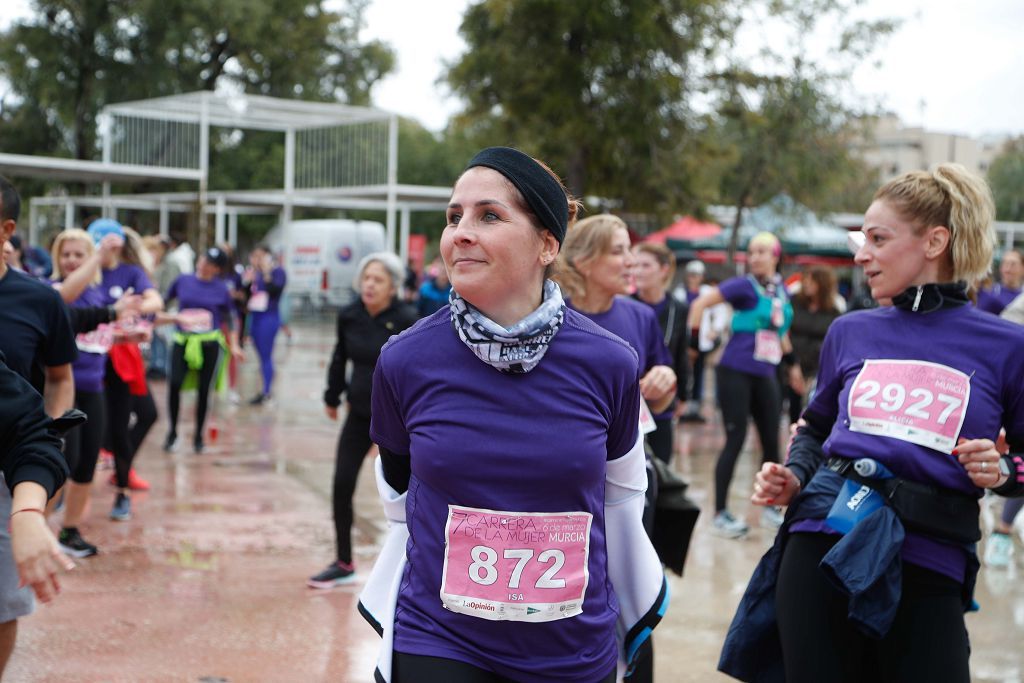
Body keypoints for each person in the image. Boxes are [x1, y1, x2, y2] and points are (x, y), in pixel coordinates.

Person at [358, 147, 667, 683]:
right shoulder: (404, 360)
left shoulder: (611, 362)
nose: (461, 232)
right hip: (440, 636)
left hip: (571, 644)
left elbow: (621, 496)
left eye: (489, 216)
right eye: (454, 217)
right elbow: (399, 495)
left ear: (547, 243)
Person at [720, 163, 1024, 683]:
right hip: (822, 540)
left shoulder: (1006, 346)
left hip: (931, 559)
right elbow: (815, 428)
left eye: (878, 239)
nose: (861, 254)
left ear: (935, 241)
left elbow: (1019, 461)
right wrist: (793, 475)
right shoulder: (851, 330)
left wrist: (999, 471)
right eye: (863, 239)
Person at [0, 175, 77, 674]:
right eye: (64, 253)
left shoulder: (38, 299)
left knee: (4, 601)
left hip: (10, 470)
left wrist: (32, 504)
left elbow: (54, 387)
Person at [309, 252, 417, 589]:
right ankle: (343, 561)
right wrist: (332, 394)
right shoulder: (350, 315)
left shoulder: (409, 318)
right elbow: (340, 356)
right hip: (359, 412)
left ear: (393, 288)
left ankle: (416, 565)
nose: (369, 285)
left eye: (378, 280)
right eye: (366, 278)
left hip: (399, 420)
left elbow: (417, 371)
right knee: (342, 484)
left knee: (410, 494)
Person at [688, 232, 794, 537]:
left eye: (762, 252)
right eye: (752, 252)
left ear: (776, 255)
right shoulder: (743, 286)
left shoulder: (781, 291)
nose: (756, 257)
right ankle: (720, 512)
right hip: (734, 370)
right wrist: (695, 347)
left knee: (772, 442)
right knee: (735, 439)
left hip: (767, 373)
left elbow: (779, 333)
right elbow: (700, 306)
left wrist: (794, 366)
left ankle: (771, 507)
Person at [90, 220, 163, 520]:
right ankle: (61, 494)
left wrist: (136, 312)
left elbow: (154, 300)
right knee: (84, 429)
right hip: (88, 360)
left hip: (121, 361)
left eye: (109, 244)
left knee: (123, 424)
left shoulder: (130, 272)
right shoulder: (87, 271)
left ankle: (122, 492)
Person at [162, 247, 243, 454]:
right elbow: (163, 302)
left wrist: (234, 344)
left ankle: (198, 435)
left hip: (209, 343)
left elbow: (230, 317)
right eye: (204, 258)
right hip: (183, 341)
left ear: (217, 269)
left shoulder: (221, 288)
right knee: (174, 384)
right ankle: (172, 432)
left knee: (204, 390)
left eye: (210, 263)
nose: (204, 263)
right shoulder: (183, 281)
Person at [630, 242, 689, 464]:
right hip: (631, 399)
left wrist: (683, 394)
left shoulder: (678, 308)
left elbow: (681, 352)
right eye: (635, 265)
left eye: (645, 265)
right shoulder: (625, 305)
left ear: (664, 269)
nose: (637, 271)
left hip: (661, 397)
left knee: (661, 468)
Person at [784, 265, 841, 425]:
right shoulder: (794, 302)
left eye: (812, 280)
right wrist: (791, 365)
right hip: (789, 363)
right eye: (806, 280)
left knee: (809, 413)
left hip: (816, 368)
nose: (807, 284)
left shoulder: (833, 311)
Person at [243, 244, 287, 405]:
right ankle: (263, 389)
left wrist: (267, 272)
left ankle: (267, 391)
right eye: (255, 256)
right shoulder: (255, 274)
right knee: (260, 355)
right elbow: (246, 294)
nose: (257, 260)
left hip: (269, 318)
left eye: (260, 256)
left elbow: (275, 290)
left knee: (266, 355)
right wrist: (248, 281)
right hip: (255, 317)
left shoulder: (277, 272)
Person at [142, 235, 180, 379]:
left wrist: (159, 305)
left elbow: (169, 289)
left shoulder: (170, 265)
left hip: (166, 308)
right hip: (154, 308)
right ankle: (156, 365)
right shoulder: (150, 266)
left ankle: (164, 367)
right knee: (156, 339)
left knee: (165, 339)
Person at [976, 248, 1022, 315]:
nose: (1008, 269)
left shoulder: (1021, 297)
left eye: (1013, 264)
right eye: (1005, 263)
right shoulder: (987, 291)